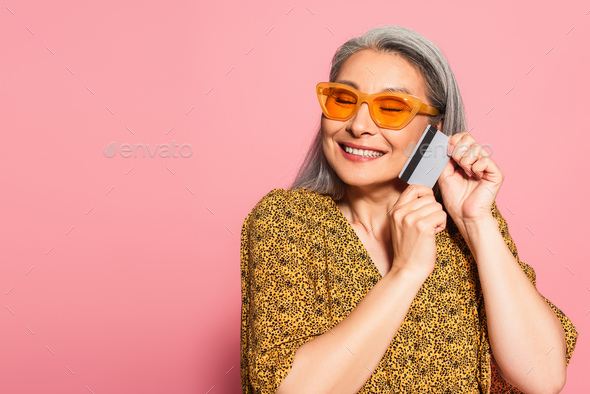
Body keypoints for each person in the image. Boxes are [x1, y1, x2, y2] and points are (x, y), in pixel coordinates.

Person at [240, 25, 578, 393]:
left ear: (433, 131)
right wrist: (406, 271)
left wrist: (475, 222)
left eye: (391, 108)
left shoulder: (465, 224)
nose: (358, 125)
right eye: (344, 100)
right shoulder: (288, 220)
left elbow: (543, 376)